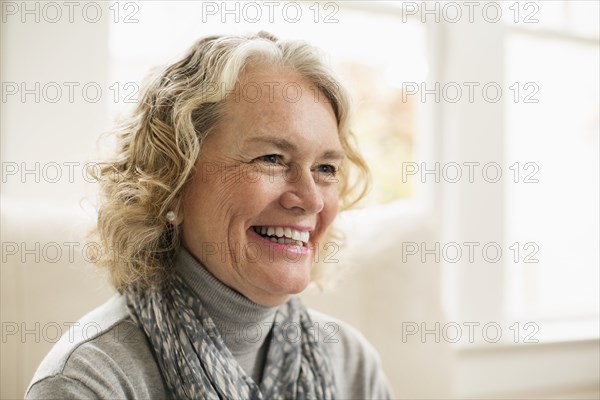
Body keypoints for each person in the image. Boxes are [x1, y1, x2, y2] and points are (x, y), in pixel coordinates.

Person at [26, 31, 393, 399]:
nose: (311, 199)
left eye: (326, 168)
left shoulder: (351, 365)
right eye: (271, 159)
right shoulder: (87, 383)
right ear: (172, 182)